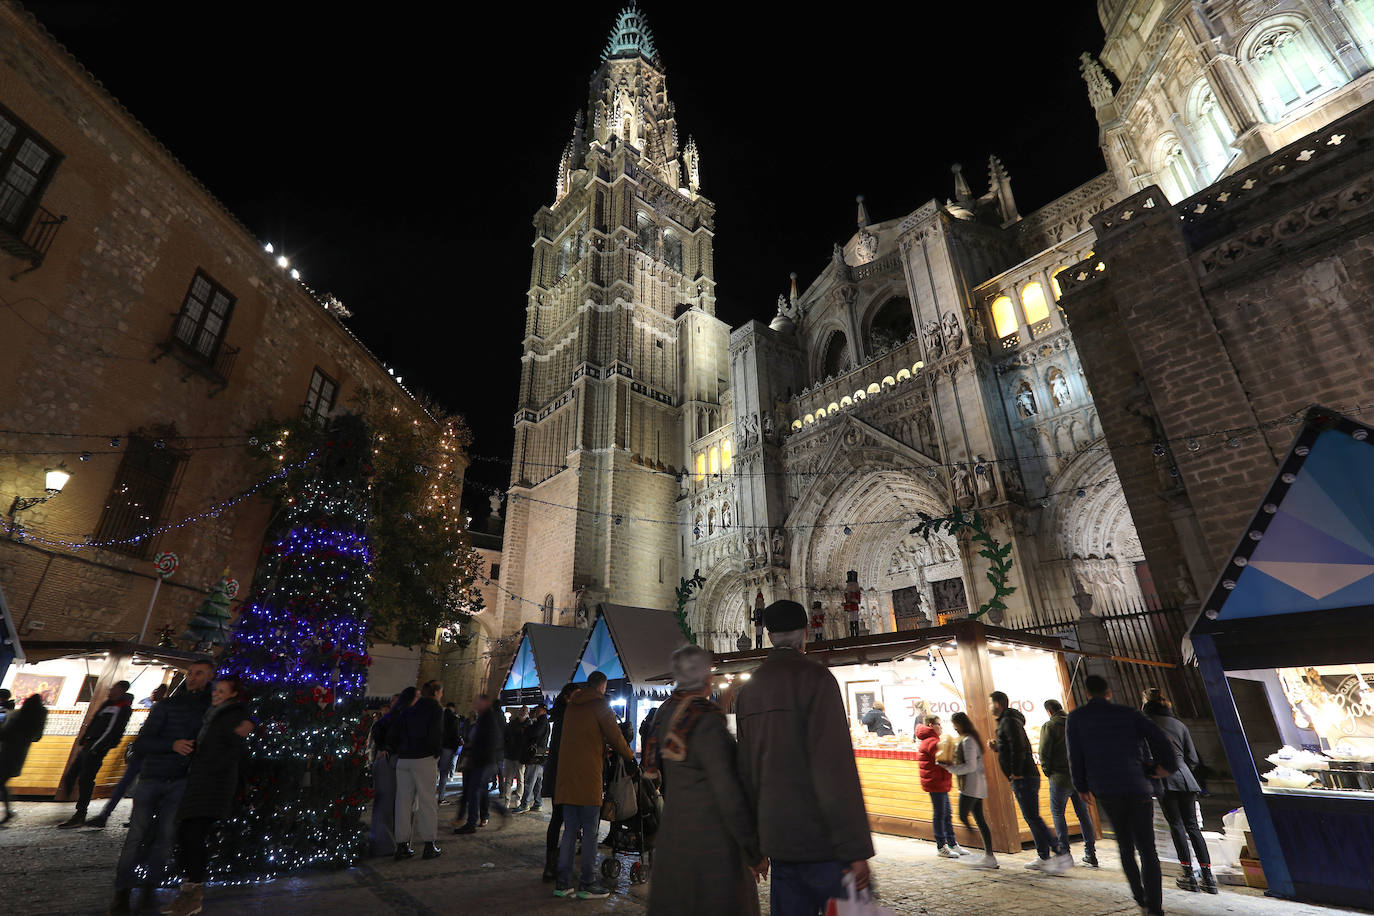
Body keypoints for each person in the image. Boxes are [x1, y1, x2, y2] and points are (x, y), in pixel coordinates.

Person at [735, 600, 874, 916]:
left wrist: (753, 847)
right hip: (824, 843)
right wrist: (855, 849)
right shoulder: (817, 679)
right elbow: (834, 767)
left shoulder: (749, 690)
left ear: (769, 636)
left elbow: (746, 772)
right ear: (805, 634)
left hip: (779, 841)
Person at [108, 660, 242, 915]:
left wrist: (245, 722)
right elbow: (143, 741)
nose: (192, 677)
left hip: (182, 781)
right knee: (135, 837)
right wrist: (172, 744)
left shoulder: (211, 709)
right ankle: (122, 893)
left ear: (211, 677)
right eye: (190, 673)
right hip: (153, 777)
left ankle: (149, 890)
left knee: (166, 839)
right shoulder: (167, 706)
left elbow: (234, 715)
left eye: (198, 674)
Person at [645, 646, 766, 915]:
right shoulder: (705, 721)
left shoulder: (666, 713)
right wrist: (753, 851)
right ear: (706, 679)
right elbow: (728, 793)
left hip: (674, 841)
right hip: (709, 849)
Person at [1067, 675, 1177, 916]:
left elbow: (1075, 755)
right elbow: (1160, 737)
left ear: (1087, 693)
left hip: (1106, 789)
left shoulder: (1077, 718)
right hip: (1138, 786)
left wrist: (1081, 786)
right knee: (1148, 849)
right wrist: (1166, 766)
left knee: (1125, 845)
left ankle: (1140, 897)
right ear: (1109, 692)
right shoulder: (1129, 713)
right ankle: (1155, 908)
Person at [161, 676, 253, 916]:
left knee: (193, 835)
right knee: (188, 834)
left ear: (233, 694)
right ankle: (188, 893)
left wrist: (208, 766)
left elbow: (234, 751)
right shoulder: (213, 714)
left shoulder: (233, 717)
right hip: (200, 781)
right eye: (216, 690)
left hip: (213, 784)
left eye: (222, 691)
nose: (216, 694)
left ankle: (193, 895)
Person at [552, 671, 637, 900]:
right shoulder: (599, 705)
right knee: (590, 833)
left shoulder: (572, 706)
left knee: (570, 831)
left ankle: (562, 884)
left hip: (567, 779)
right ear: (602, 686)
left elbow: (582, 738)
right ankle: (587, 883)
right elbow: (616, 737)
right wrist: (630, 758)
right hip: (588, 778)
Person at [1142, 687, 1216, 894]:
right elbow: (1193, 758)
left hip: (1165, 779)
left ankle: (1188, 875)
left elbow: (1143, 755)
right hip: (1186, 778)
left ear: (1145, 702)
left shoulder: (1145, 724)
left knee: (1176, 826)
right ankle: (1208, 877)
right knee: (1193, 827)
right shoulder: (1178, 724)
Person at [988, 691, 1063, 873]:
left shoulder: (1008, 721)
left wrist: (1016, 771)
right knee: (1032, 818)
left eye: (990, 703)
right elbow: (1012, 746)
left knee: (1033, 818)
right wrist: (998, 747)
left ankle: (1058, 853)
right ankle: (1045, 856)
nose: (989, 707)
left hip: (1024, 777)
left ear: (998, 703)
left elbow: (1019, 747)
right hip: (1025, 776)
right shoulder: (1010, 720)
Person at [89, 683, 175, 830]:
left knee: (134, 786)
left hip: (148, 754)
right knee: (129, 785)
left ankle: (119, 816)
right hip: (143, 752)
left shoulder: (162, 710)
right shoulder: (159, 708)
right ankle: (113, 815)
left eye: (157, 691)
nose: (153, 693)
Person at [58, 680, 134, 829]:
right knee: (72, 775)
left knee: (86, 779)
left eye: (114, 688)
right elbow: (94, 722)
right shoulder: (108, 704)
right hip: (89, 745)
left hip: (96, 749)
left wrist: (97, 747)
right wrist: (85, 739)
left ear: (121, 690)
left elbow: (113, 730)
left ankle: (80, 813)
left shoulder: (122, 708)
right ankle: (77, 810)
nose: (110, 690)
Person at [390, 679, 444, 861]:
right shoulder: (435, 709)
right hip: (423, 758)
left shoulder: (409, 709)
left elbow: (396, 733)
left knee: (403, 803)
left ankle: (402, 845)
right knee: (427, 802)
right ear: (436, 693)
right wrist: (436, 753)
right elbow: (435, 734)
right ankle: (429, 845)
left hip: (404, 759)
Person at [1040, 699, 1098, 868]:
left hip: (1059, 778)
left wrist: (1048, 772)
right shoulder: (1077, 724)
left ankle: (1065, 853)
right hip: (1078, 778)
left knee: (1058, 813)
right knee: (1084, 815)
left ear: (1049, 712)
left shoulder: (1050, 726)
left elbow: (1044, 753)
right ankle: (1090, 853)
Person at [944, 711, 997, 869]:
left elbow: (970, 765)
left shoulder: (968, 741)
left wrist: (950, 768)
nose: (955, 729)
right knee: (979, 818)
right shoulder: (971, 739)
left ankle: (981, 846)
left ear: (959, 724)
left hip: (970, 785)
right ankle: (989, 855)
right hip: (974, 784)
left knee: (963, 815)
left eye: (955, 726)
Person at [539, 684, 577, 881]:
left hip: (557, 775)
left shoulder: (559, 715)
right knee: (566, 819)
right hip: (565, 776)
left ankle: (552, 864)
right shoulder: (567, 717)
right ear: (568, 697)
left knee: (558, 818)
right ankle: (557, 865)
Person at [915, 714, 964, 858]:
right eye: (938, 724)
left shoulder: (932, 740)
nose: (941, 727)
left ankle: (951, 843)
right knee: (941, 814)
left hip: (939, 782)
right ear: (931, 725)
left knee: (946, 813)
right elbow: (943, 759)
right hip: (936, 782)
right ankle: (941, 846)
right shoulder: (931, 741)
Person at [454, 694, 504, 834]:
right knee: (479, 791)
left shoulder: (489, 719)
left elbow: (491, 741)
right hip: (481, 761)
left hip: (484, 762)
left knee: (474, 791)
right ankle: (490, 814)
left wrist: (478, 756)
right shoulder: (483, 718)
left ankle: (472, 823)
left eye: (479, 703)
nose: (476, 705)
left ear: (486, 704)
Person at [370, 690, 412, 856]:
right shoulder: (393, 720)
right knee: (386, 804)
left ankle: (392, 842)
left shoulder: (394, 719)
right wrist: (386, 749)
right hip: (389, 761)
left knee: (393, 804)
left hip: (391, 760)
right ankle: (385, 844)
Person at [0, 693, 47, 824]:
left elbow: (3, 733)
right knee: (2, 782)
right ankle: (8, 811)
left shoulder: (16, 716)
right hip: (18, 755)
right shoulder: (37, 719)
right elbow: (37, 737)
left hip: (5, 752)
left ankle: (8, 812)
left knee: (1, 782)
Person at [515, 704, 550, 813]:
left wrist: (527, 731)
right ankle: (538, 803)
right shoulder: (545, 722)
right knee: (538, 782)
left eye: (539, 710)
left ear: (543, 710)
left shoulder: (541, 722)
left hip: (534, 756)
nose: (537, 711)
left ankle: (525, 804)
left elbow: (534, 733)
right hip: (540, 756)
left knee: (529, 781)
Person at [502, 706, 528, 806]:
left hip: (519, 756)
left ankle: (517, 800)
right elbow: (505, 736)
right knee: (509, 779)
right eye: (521, 711)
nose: (522, 712)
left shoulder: (527, 725)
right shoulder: (513, 724)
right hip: (511, 754)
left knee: (520, 780)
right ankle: (507, 800)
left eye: (524, 711)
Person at [439, 701, 461, 805]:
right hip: (447, 749)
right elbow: (456, 735)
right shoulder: (454, 719)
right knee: (443, 774)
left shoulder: (439, 718)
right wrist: (455, 748)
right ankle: (441, 797)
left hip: (437, 748)